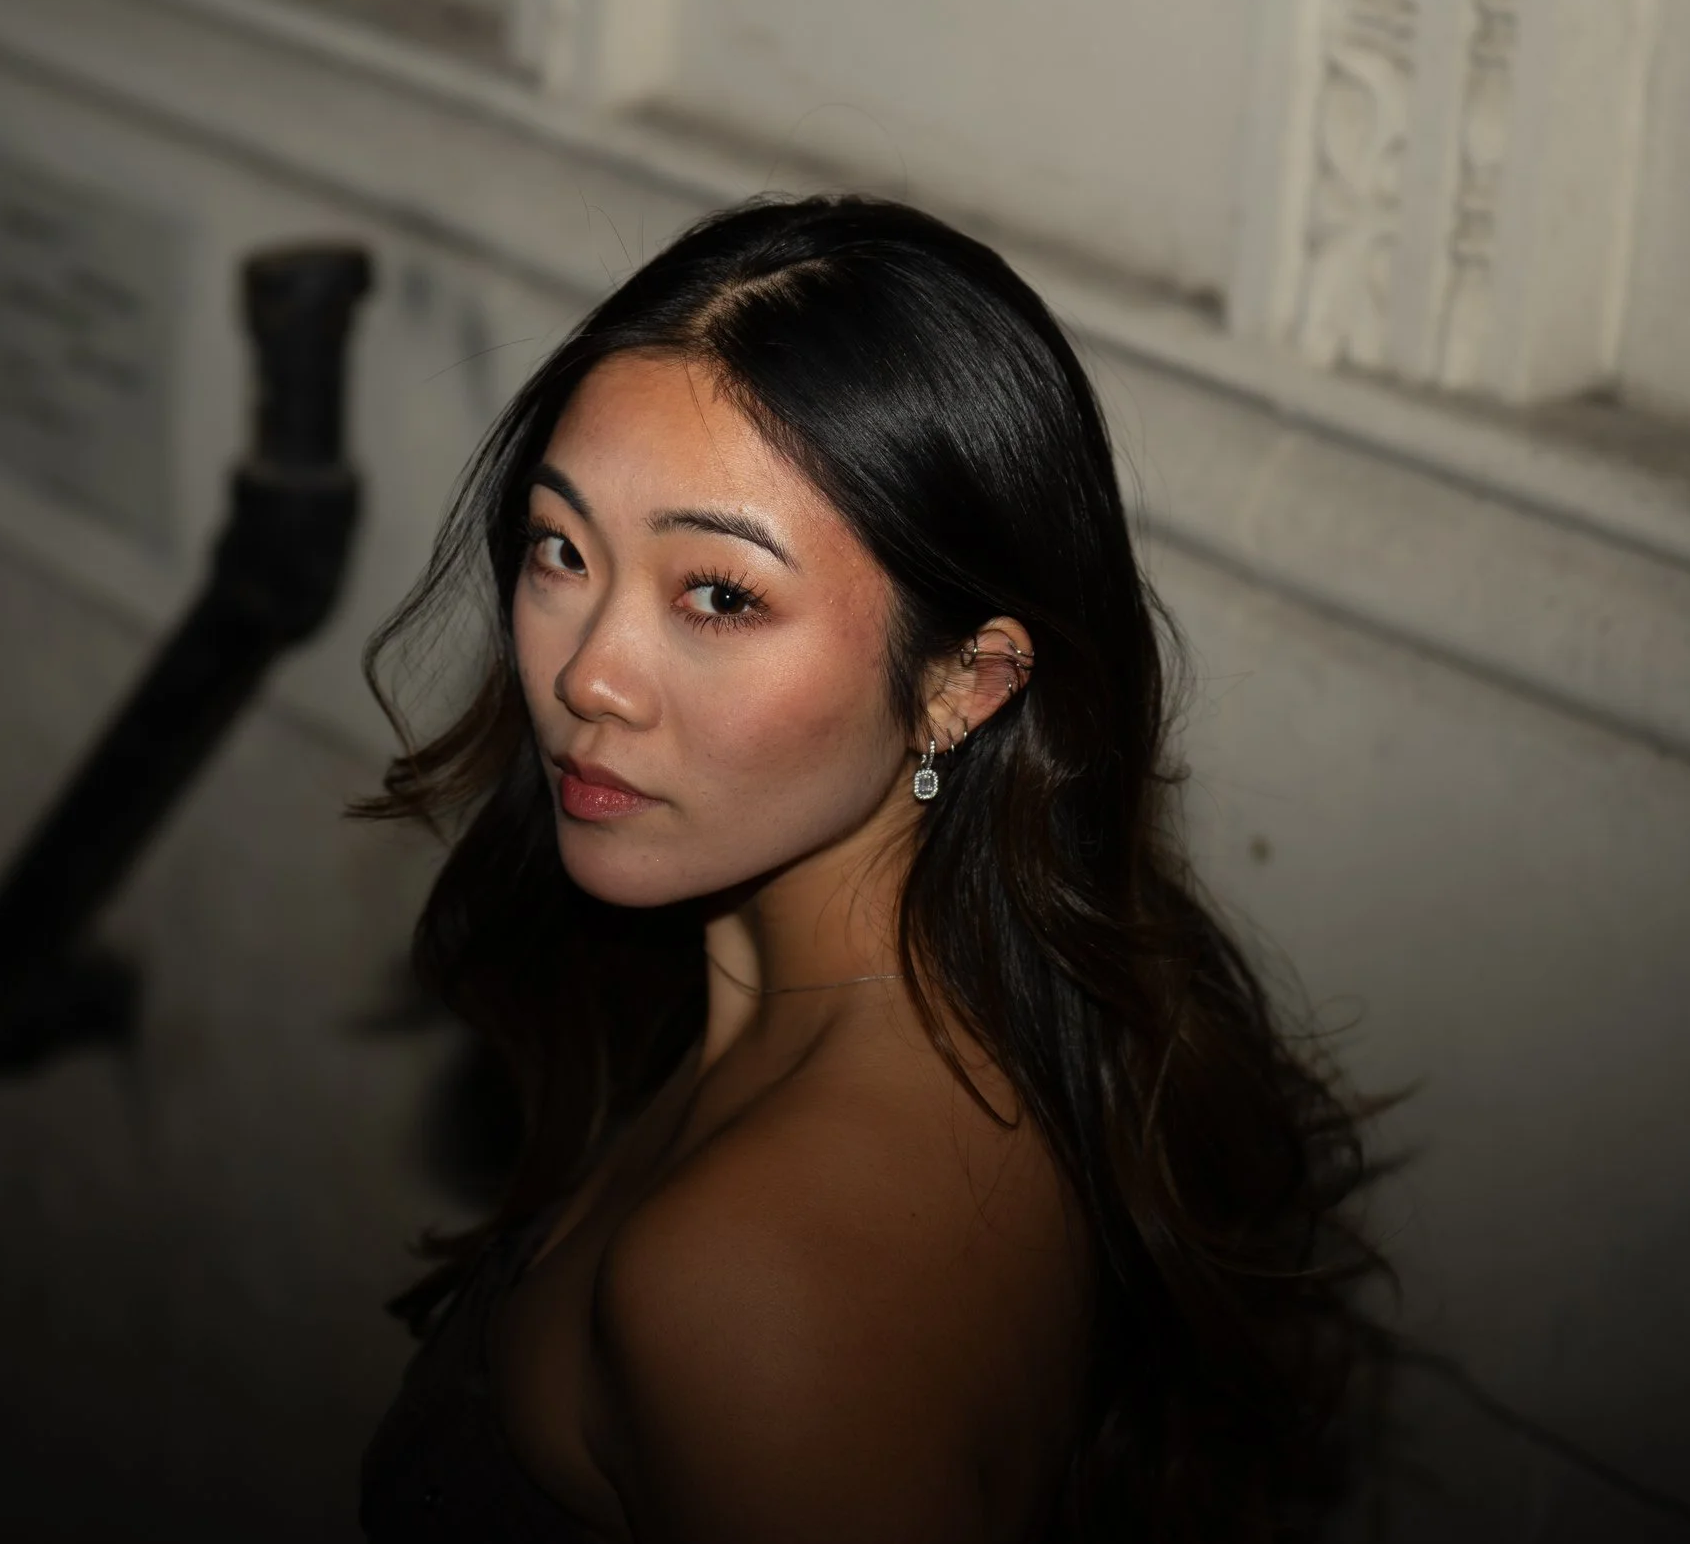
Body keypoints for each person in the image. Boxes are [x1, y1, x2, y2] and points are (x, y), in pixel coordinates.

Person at [357, 195, 1383, 1543]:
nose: (584, 671)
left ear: (964, 682)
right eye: (563, 549)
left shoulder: (757, 1283)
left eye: (718, 594)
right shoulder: (959, 1027)